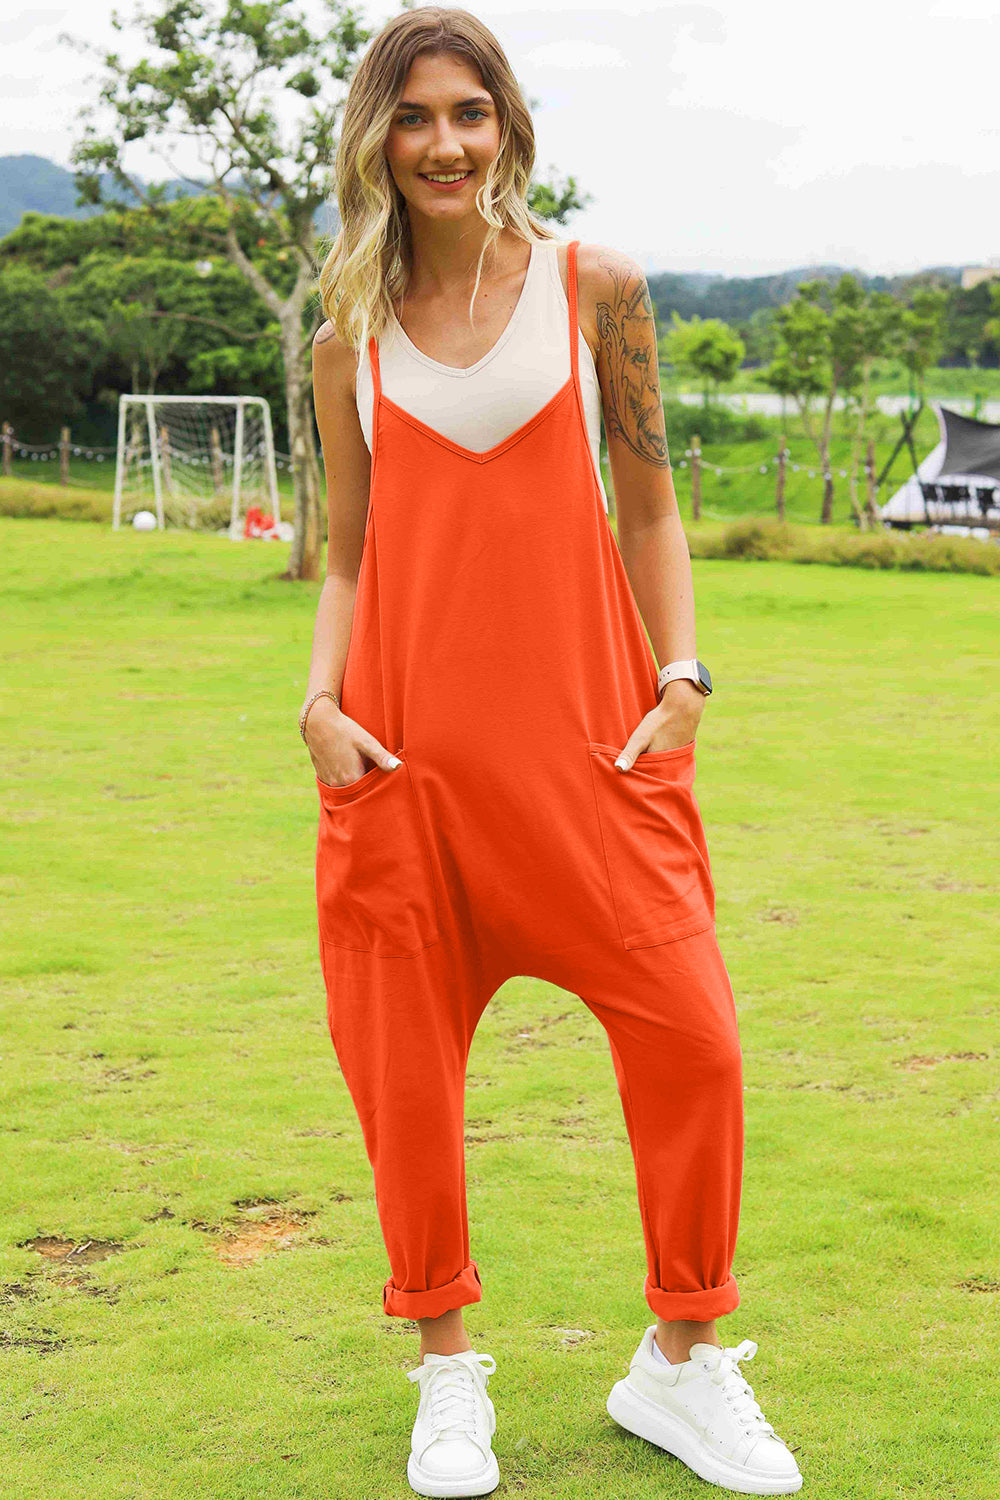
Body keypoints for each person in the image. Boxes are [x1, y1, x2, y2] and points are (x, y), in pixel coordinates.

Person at [302, 8, 802, 1497]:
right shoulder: (350, 330)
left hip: (595, 755)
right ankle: (447, 1375)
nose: (445, 142)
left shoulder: (601, 292)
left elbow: (650, 509)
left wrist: (684, 681)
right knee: (405, 1082)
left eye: (471, 113)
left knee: (697, 1042)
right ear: (377, 141)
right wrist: (320, 710)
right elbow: (348, 553)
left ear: (509, 127)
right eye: (414, 118)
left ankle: (680, 1362)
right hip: (403, 770)